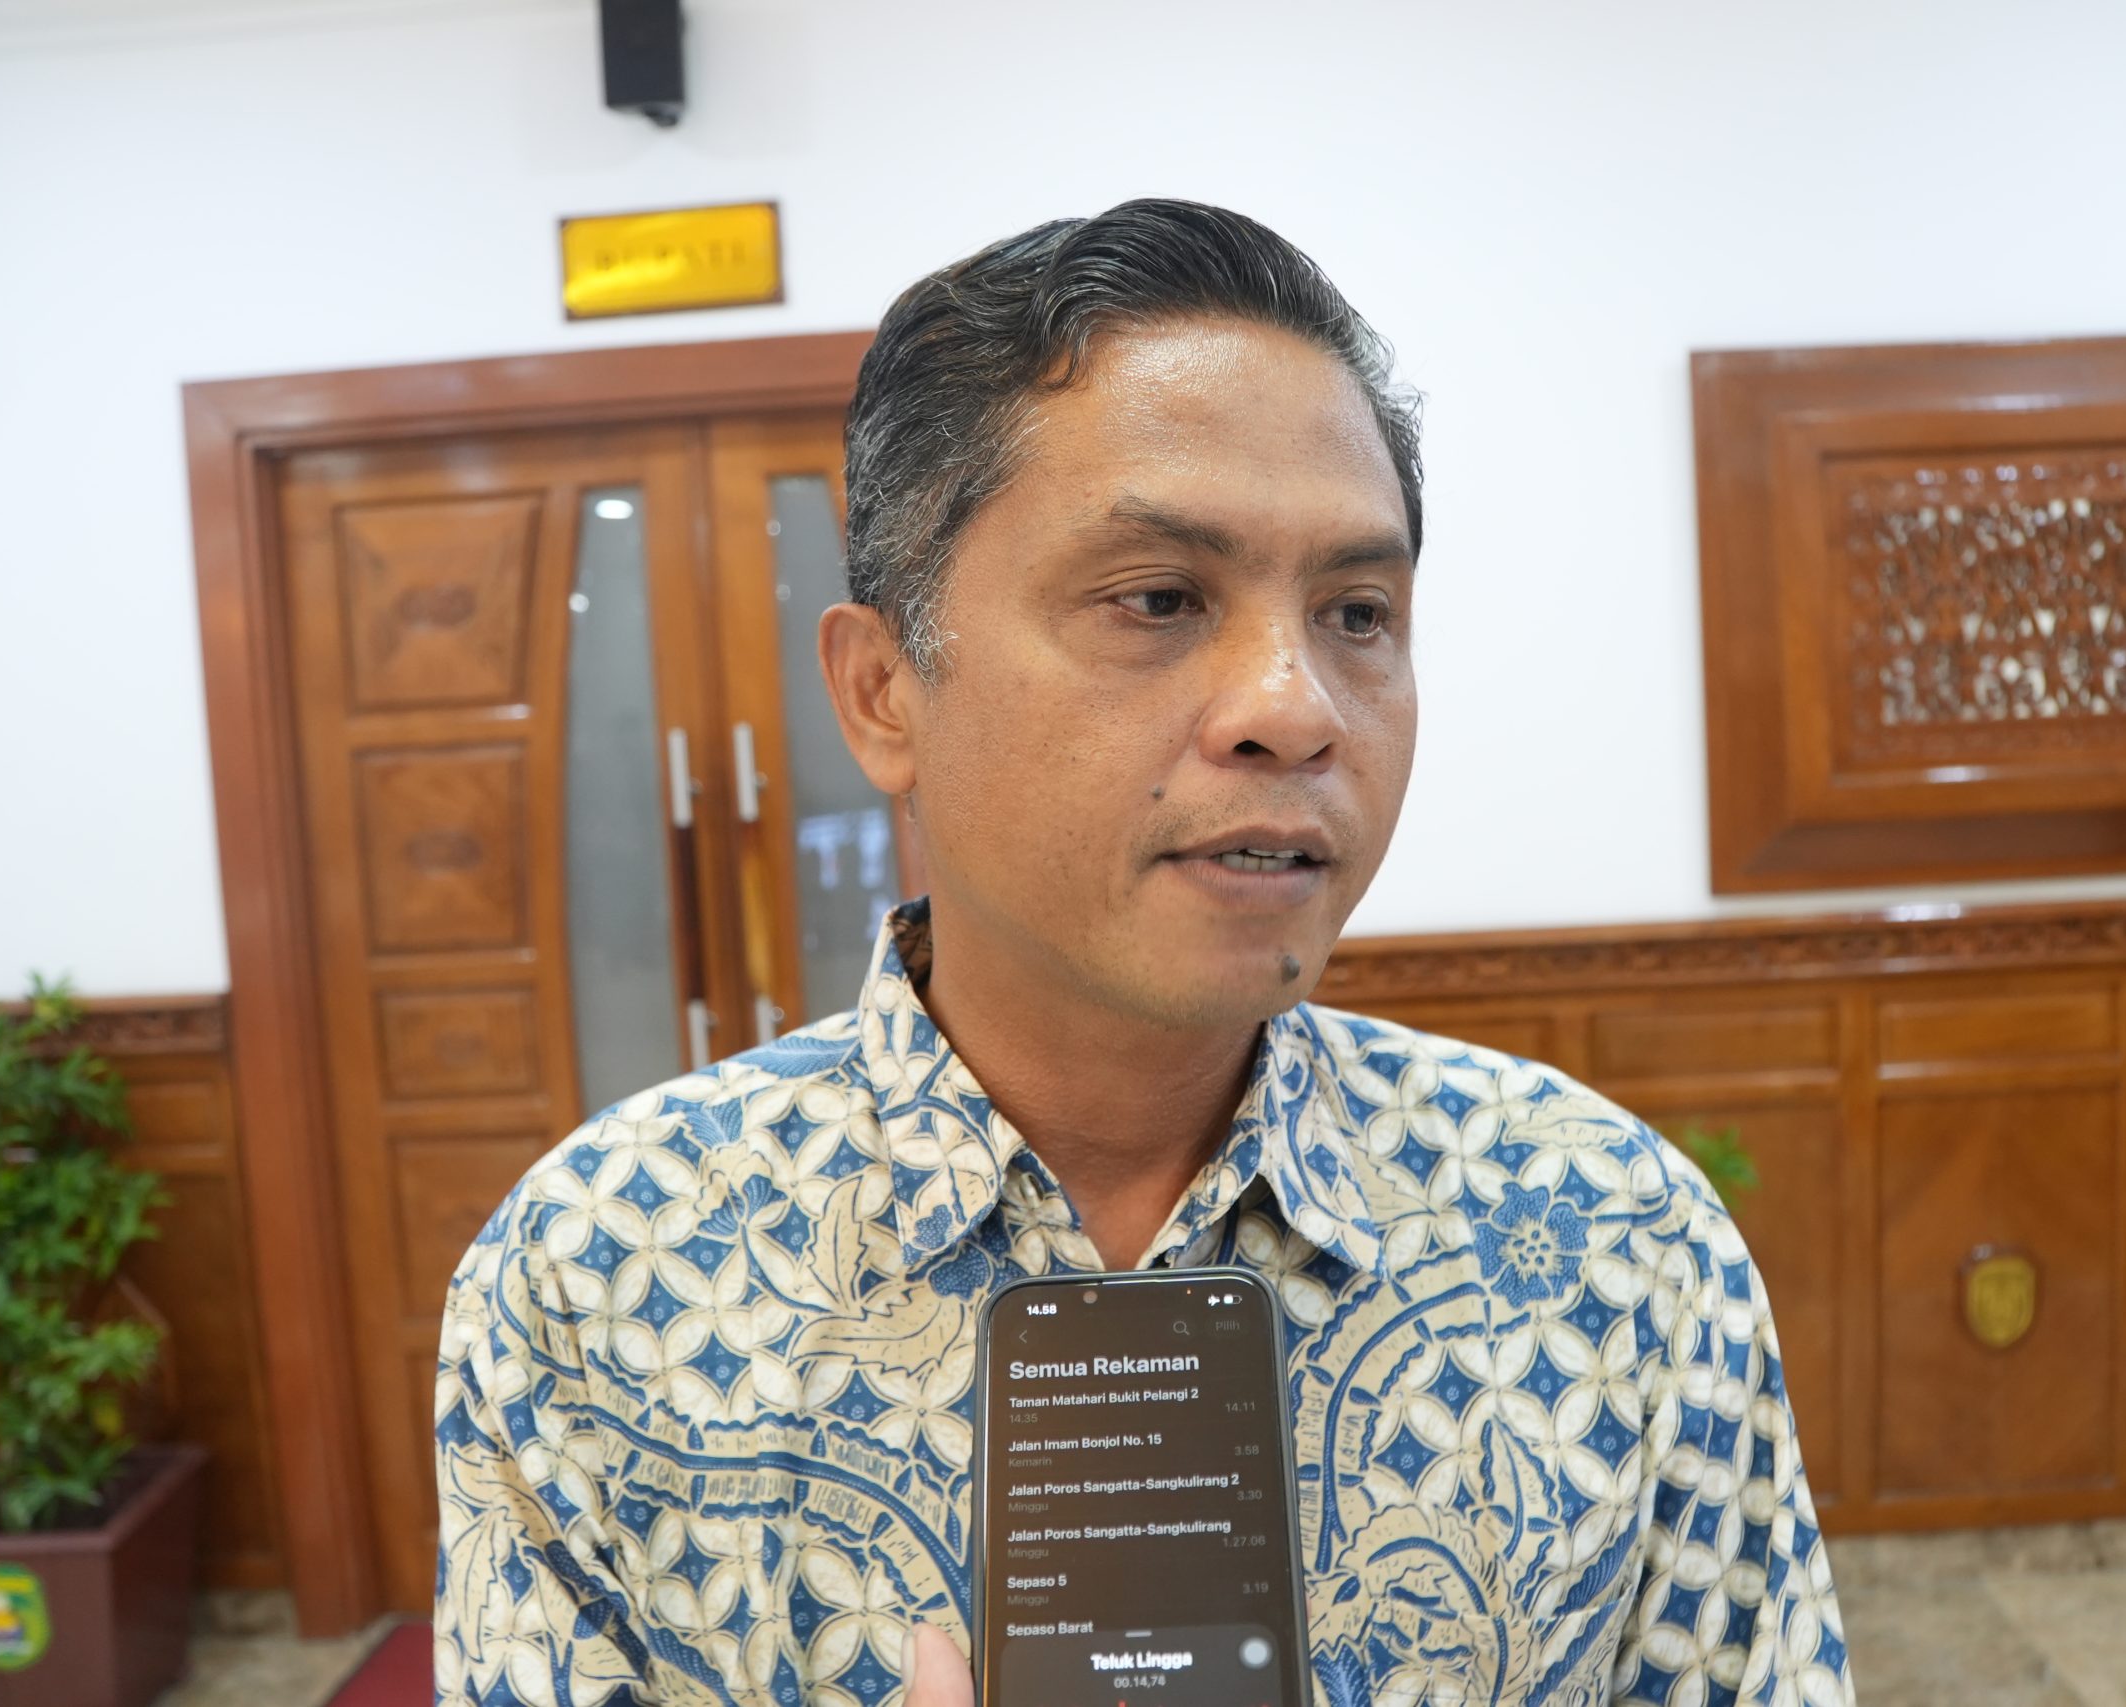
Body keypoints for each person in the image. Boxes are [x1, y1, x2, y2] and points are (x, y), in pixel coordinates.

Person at [432, 198, 1854, 1707]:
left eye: (1356, 611)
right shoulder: (598, 1275)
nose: (1294, 705)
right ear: (883, 691)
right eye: (1159, 599)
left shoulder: (1609, 1239)